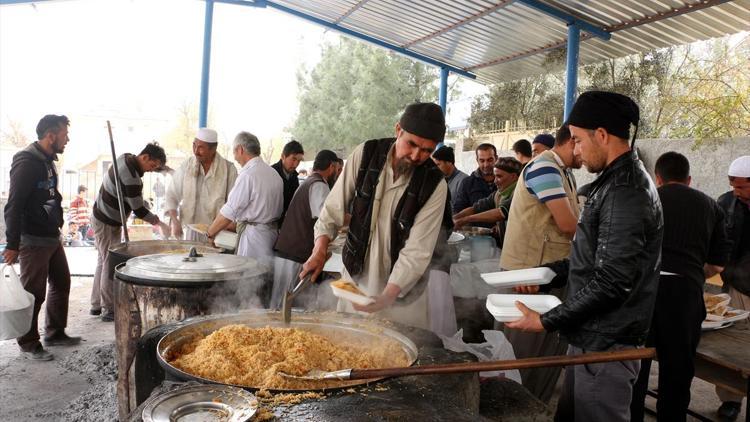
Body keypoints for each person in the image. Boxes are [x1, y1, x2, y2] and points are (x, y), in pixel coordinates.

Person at [508, 91, 663, 422]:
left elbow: (613, 282)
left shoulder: (626, 190)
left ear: (602, 135)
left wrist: (546, 320)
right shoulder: (611, 183)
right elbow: (592, 258)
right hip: (591, 337)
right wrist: (548, 275)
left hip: (607, 342)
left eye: (578, 140)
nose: (575, 150)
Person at [300, 102, 454, 332]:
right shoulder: (365, 155)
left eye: (426, 151)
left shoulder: (435, 186)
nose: (415, 155)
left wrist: (388, 295)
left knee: (399, 353)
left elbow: (417, 252)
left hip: (403, 292)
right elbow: (332, 209)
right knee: (348, 345)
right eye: (411, 144)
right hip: (355, 281)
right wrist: (319, 250)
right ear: (398, 130)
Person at [629, 152, 730, 421]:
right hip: (684, 296)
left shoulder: (643, 199)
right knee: (677, 372)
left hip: (643, 292)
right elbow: (717, 265)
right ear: (689, 179)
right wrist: (692, 273)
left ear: (658, 178)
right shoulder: (712, 206)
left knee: (635, 368)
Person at [499, 124, 581, 402]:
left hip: (548, 276)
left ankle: (531, 409)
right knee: (519, 362)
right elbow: (569, 223)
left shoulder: (563, 172)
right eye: (582, 142)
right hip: (529, 282)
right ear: (571, 141)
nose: (585, 153)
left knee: (544, 359)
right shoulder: (544, 167)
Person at [3, 114, 81, 360]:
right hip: (34, 239)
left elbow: (48, 196)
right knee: (34, 293)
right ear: (51, 135)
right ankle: (28, 342)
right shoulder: (27, 162)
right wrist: (13, 243)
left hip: (51, 236)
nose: (67, 139)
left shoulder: (46, 160)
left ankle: (55, 332)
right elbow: (13, 205)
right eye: (64, 134)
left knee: (61, 282)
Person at [91, 142, 171, 322]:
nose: (151, 170)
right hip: (106, 221)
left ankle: (96, 304)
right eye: (152, 166)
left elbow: (134, 199)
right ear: (144, 157)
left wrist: (167, 170)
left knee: (102, 260)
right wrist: (159, 223)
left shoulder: (124, 157)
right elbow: (139, 210)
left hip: (103, 217)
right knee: (109, 263)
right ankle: (108, 308)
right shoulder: (132, 177)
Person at [270, 150, 340, 310]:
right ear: (331, 166)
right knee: (288, 305)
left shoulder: (309, 182)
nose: (337, 173)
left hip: (287, 251)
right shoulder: (319, 186)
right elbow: (326, 218)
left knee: (279, 302)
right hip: (295, 254)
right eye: (337, 169)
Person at [206, 132, 283, 264]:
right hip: (271, 236)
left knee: (249, 277)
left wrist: (210, 233)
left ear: (240, 149)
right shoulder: (273, 173)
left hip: (253, 240)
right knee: (264, 278)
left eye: (234, 152)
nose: (235, 157)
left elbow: (229, 211)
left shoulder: (248, 175)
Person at [713, 155, 750, 420]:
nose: (735, 191)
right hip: (737, 285)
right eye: (732, 185)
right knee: (732, 346)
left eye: (741, 187)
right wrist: (723, 268)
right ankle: (731, 400)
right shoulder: (724, 204)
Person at [165, 128, 238, 240]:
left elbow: (234, 205)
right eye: (194, 145)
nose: (195, 151)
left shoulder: (229, 170)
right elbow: (172, 195)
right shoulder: (187, 165)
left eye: (201, 148)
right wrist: (175, 221)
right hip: (190, 232)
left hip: (217, 234)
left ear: (213, 149)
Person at [452, 157, 522, 247]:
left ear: (513, 176)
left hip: (521, 247)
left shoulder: (520, 194)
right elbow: (477, 207)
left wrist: (466, 219)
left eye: (499, 176)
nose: (495, 181)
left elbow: (500, 213)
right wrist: (455, 218)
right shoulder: (498, 194)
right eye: (495, 176)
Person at [452, 143, 497, 215]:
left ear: (496, 158)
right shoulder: (467, 183)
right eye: (482, 161)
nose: (486, 165)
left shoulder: (505, 180)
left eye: (490, 160)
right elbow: (458, 209)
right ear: (477, 160)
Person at [271, 140, 304, 223]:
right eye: (293, 159)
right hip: (269, 224)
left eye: (299, 161)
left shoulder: (294, 177)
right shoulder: (271, 173)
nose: (296, 164)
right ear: (283, 156)